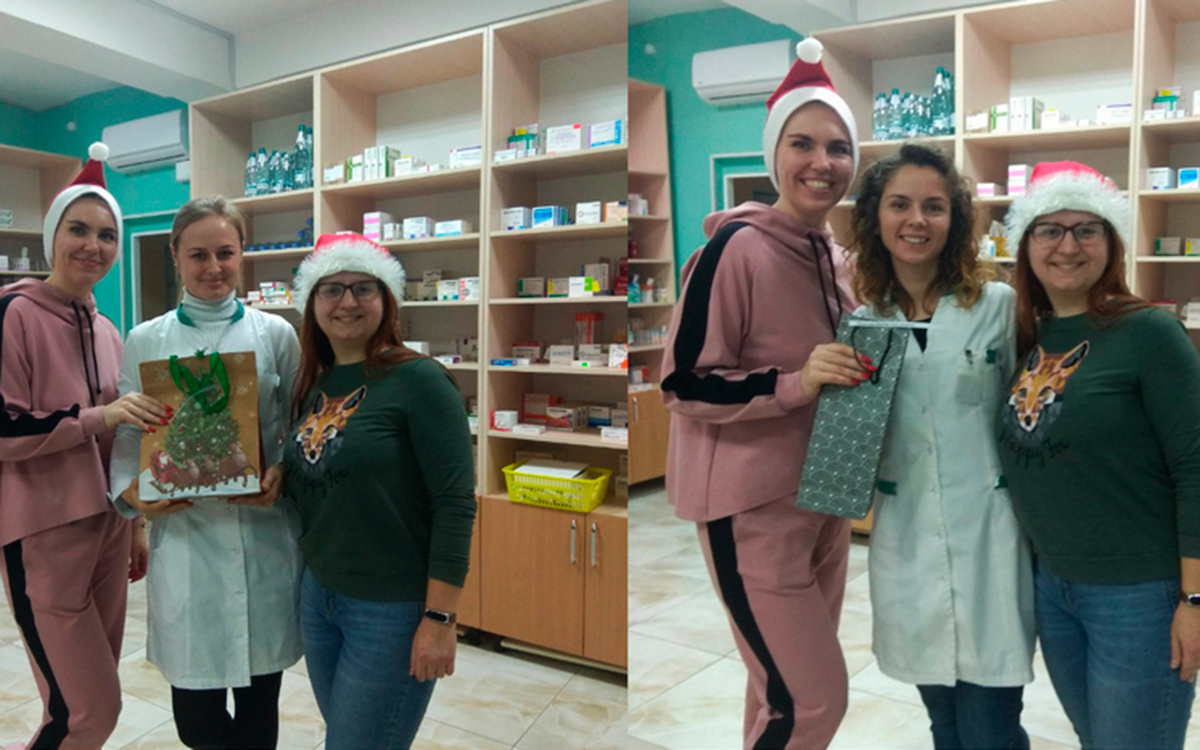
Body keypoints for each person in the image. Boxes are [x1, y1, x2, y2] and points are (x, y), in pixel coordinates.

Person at [660, 38, 870, 749]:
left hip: (825, 496)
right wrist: (794, 383)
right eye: (802, 143)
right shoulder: (734, 250)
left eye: (838, 147)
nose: (821, 162)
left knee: (774, 694)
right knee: (813, 703)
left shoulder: (838, 259)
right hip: (750, 507)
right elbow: (682, 381)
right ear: (774, 152)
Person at [998, 160, 1200, 749]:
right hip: (1053, 587)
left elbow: (1195, 467)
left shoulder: (1148, 334)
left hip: (1140, 595)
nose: (1068, 246)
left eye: (1086, 229)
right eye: (1049, 229)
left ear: (1111, 243)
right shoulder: (1027, 335)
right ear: (1026, 245)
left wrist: (1194, 600)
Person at [847, 143, 1033, 748]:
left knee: (990, 729)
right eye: (899, 204)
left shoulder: (998, 306)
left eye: (934, 206)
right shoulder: (864, 323)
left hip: (991, 540)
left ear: (955, 219)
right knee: (945, 724)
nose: (916, 220)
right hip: (907, 543)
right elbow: (853, 442)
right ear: (876, 217)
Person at [109, 196, 303, 750]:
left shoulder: (276, 334)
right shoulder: (146, 339)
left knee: (259, 713)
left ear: (242, 254)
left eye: (226, 252)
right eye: (198, 254)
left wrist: (283, 472)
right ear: (175, 255)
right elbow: (130, 433)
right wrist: (132, 495)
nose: (213, 267)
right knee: (196, 722)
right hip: (186, 543)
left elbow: (298, 425)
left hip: (262, 536)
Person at [0, 143, 169, 750]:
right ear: (53, 236)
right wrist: (97, 417)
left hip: (109, 531)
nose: (92, 245)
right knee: (86, 714)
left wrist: (136, 523)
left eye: (106, 234)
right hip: (43, 534)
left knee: (86, 706)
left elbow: (125, 437)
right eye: (78, 229)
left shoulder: (107, 330)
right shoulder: (13, 313)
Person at [283, 232, 476, 750]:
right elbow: (324, 479)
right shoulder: (316, 382)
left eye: (363, 287)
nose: (347, 301)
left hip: (391, 609)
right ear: (312, 304)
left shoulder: (421, 381)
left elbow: (455, 505)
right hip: (319, 596)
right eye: (332, 289)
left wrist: (439, 619)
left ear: (386, 299)